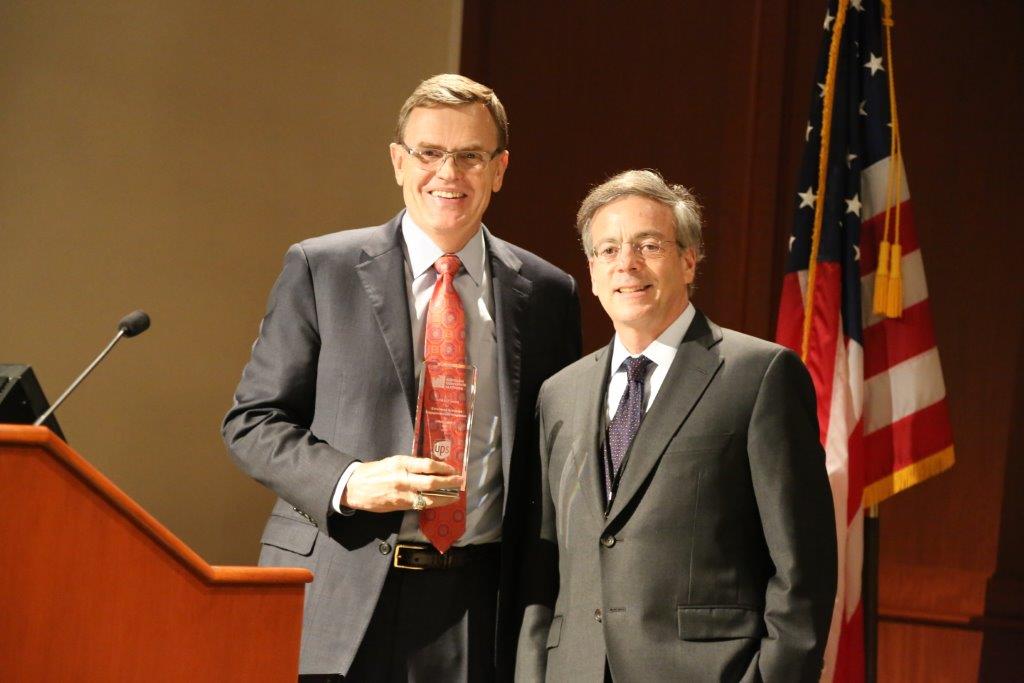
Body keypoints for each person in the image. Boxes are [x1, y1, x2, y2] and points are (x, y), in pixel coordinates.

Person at [223, 74, 581, 681]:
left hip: (482, 605)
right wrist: (348, 480)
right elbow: (251, 422)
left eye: (470, 156)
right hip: (341, 585)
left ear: (499, 169)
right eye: (430, 153)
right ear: (398, 161)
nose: (449, 173)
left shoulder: (548, 293)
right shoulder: (321, 268)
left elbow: (557, 457)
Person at [515, 170, 836, 682]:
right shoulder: (559, 393)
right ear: (593, 273)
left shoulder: (760, 375)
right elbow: (543, 564)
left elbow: (803, 567)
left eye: (648, 244)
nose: (627, 264)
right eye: (608, 250)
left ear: (689, 260)